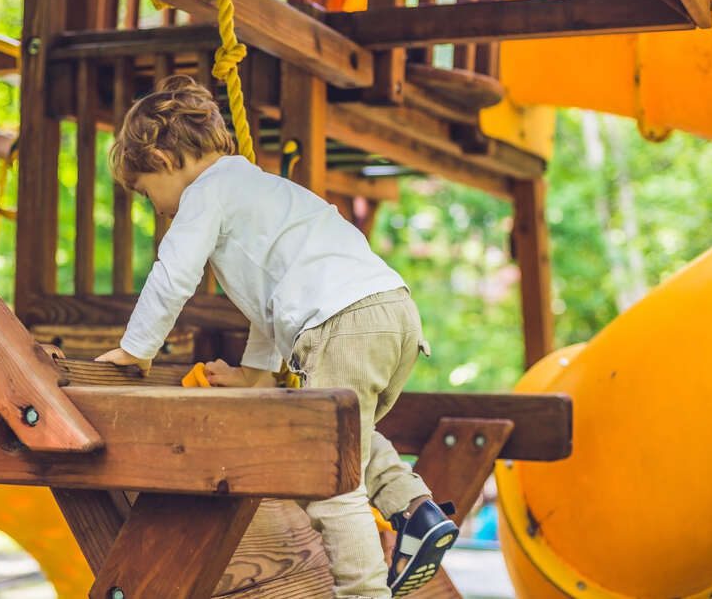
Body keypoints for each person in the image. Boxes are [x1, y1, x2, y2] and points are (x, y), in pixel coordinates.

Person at [96, 75, 458, 598]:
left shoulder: (205, 193)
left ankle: (365, 594)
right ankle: (416, 511)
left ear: (163, 159)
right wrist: (254, 378)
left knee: (329, 478)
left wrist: (136, 350)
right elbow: (271, 308)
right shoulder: (262, 191)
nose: (159, 209)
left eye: (149, 193)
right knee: (346, 438)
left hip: (339, 321)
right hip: (391, 313)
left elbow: (173, 274)